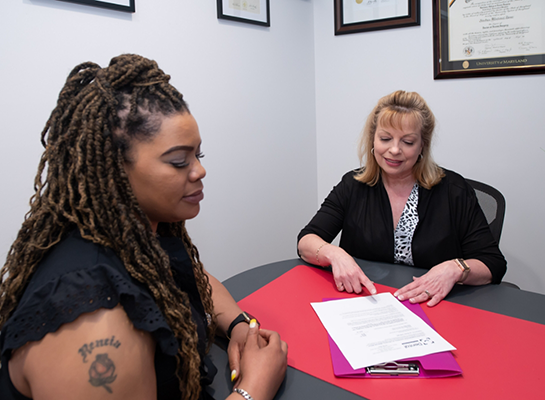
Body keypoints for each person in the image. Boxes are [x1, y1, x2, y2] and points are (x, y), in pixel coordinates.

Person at [0, 54, 287, 400]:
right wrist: (253, 389)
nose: (199, 171)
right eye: (179, 161)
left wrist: (239, 325)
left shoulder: (135, 235)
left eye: (199, 156)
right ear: (114, 170)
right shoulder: (96, 323)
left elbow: (190, 277)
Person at [297, 90, 506, 307]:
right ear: (373, 140)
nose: (394, 150)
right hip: (366, 302)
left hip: (435, 306)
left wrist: (456, 268)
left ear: (422, 145)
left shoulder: (454, 191)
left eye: (407, 142)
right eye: (385, 139)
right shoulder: (353, 185)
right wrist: (334, 254)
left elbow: (493, 264)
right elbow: (306, 241)